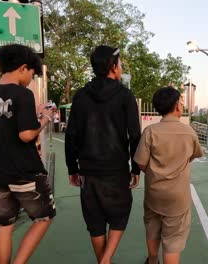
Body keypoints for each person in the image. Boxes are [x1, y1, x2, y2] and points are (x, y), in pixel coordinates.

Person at [65, 45, 141, 264]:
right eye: (120, 62)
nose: (122, 66)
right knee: (119, 216)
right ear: (113, 66)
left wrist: (73, 168)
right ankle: (106, 260)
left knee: (95, 221)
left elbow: (72, 135)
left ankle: (102, 260)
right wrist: (135, 168)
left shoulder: (80, 96)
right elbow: (134, 135)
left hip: (88, 171)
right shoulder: (125, 96)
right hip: (116, 170)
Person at [0, 44, 56, 264]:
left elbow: (6, 124)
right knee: (43, 218)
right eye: (32, 74)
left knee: (5, 224)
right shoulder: (22, 94)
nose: (31, 80)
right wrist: (45, 118)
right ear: (23, 68)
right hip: (25, 172)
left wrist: (34, 113)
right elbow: (26, 135)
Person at [134, 87, 203, 264]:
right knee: (173, 239)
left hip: (154, 193)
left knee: (152, 226)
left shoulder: (150, 131)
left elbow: (141, 162)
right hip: (178, 196)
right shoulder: (189, 132)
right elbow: (192, 156)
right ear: (176, 106)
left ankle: (153, 259)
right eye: (180, 101)